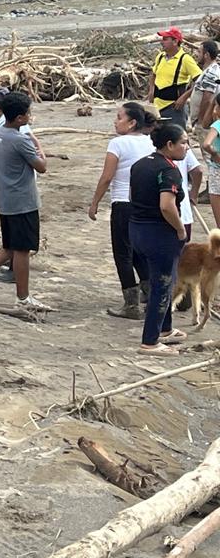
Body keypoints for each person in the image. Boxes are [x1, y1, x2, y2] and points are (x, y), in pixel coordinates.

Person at [0, 92, 50, 313]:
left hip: (6, 197)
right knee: (22, 249)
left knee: (11, 244)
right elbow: (41, 167)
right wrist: (40, 150)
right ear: (20, 118)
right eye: (28, 114)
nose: (30, 117)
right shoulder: (20, 140)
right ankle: (23, 297)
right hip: (23, 200)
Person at [127, 123, 192, 354]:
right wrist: (180, 230)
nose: (187, 147)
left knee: (166, 280)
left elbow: (132, 195)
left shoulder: (140, 164)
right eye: (183, 142)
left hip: (137, 229)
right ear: (169, 145)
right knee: (162, 286)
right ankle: (150, 341)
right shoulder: (168, 170)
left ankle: (165, 328)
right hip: (159, 234)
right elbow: (166, 206)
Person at [89, 102, 157, 319]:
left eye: (119, 117)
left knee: (123, 254)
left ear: (132, 123)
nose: (115, 121)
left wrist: (95, 202)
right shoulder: (150, 142)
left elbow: (107, 177)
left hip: (123, 202)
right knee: (138, 251)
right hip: (144, 204)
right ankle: (152, 295)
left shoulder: (117, 143)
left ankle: (131, 304)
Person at [148, 27, 201, 126]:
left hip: (174, 108)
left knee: (177, 134)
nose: (161, 42)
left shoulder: (185, 59)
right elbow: (153, 74)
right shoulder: (160, 57)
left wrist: (184, 97)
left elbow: (200, 80)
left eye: (165, 39)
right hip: (157, 107)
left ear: (175, 41)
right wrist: (151, 90)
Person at [191, 39, 220, 132]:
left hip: (205, 123)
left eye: (199, 52)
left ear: (206, 55)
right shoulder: (208, 70)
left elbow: (207, 98)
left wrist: (200, 121)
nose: (197, 54)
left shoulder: (212, 72)